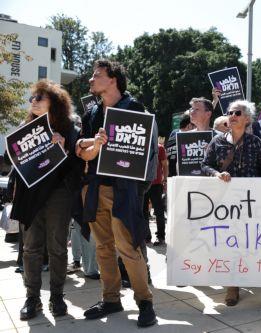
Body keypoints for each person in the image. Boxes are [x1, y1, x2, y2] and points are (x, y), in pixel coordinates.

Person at [76, 59, 157, 327]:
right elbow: (83, 153)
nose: (91, 80)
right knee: (103, 248)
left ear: (113, 79)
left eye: (96, 75)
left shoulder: (135, 109)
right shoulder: (92, 114)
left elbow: (147, 154)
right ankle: (110, 299)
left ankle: (145, 302)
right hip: (96, 187)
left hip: (124, 190)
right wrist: (96, 146)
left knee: (128, 247)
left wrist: (140, 189)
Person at [9, 80, 82, 320]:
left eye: (40, 98)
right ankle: (32, 299)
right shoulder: (26, 125)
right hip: (30, 195)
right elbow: (16, 162)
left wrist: (64, 148)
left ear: (55, 102)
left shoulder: (70, 127)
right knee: (30, 248)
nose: (33, 102)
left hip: (58, 195)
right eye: (33, 98)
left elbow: (78, 164)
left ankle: (57, 297)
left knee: (58, 248)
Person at [201, 100, 261, 307]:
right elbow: (204, 165)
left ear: (247, 118)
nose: (232, 115)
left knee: (260, 244)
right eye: (230, 112)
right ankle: (232, 288)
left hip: (252, 203)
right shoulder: (217, 142)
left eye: (237, 112)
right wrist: (216, 173)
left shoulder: (255, 142)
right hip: (227, 205)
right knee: (232, 245)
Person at [144, 143, 168, 246]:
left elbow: (165, 164)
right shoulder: (141, 144)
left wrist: (165, 180)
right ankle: (146, 236)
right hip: (142, 183)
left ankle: (161, 237)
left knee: (159, 212)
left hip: (156, 184)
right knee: (143, 211)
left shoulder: (159, 147)